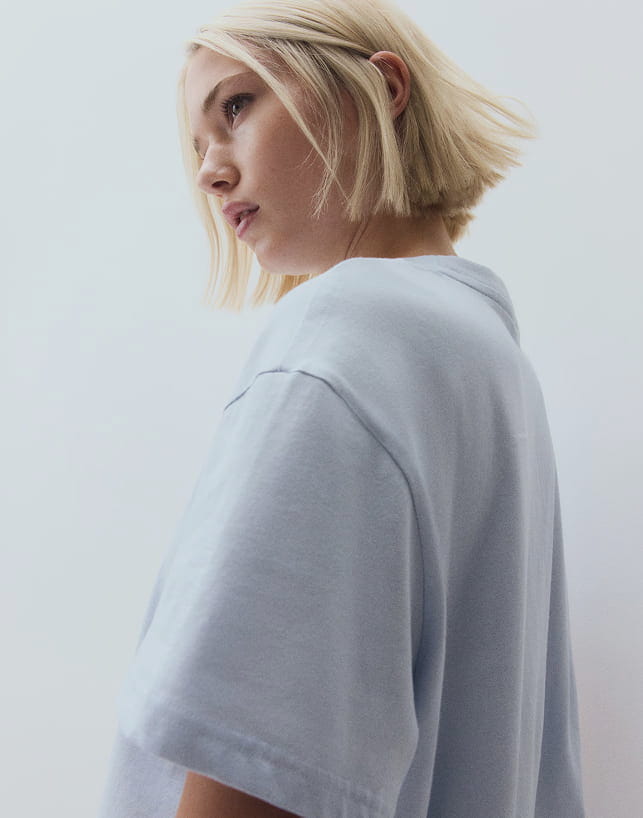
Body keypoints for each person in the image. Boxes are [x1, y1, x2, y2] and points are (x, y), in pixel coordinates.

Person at [97, 0, 586, 816]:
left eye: (236, 106)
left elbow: (259, 761)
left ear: (379, 89)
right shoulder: (492, 362)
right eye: (198, 144)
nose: (210, 171)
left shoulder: (350, 328)